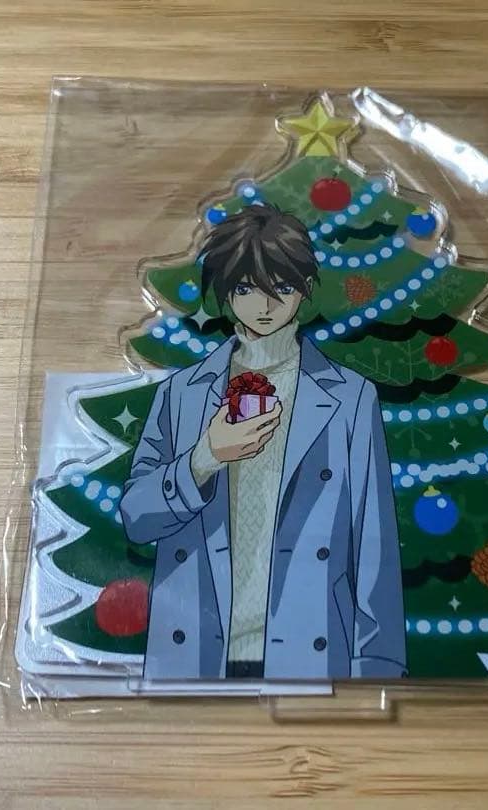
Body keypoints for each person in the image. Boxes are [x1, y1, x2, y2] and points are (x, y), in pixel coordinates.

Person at [120, 204, 405, 681]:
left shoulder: (350, 398)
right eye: (246, 288)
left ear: (305, 288)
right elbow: (135, 517)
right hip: (193, 652)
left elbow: (372, 540)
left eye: (283, 288)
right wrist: (203, 459)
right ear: (225, 290)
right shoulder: (182, 393)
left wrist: (379, 668)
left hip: (310, 651)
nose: (265, 305)